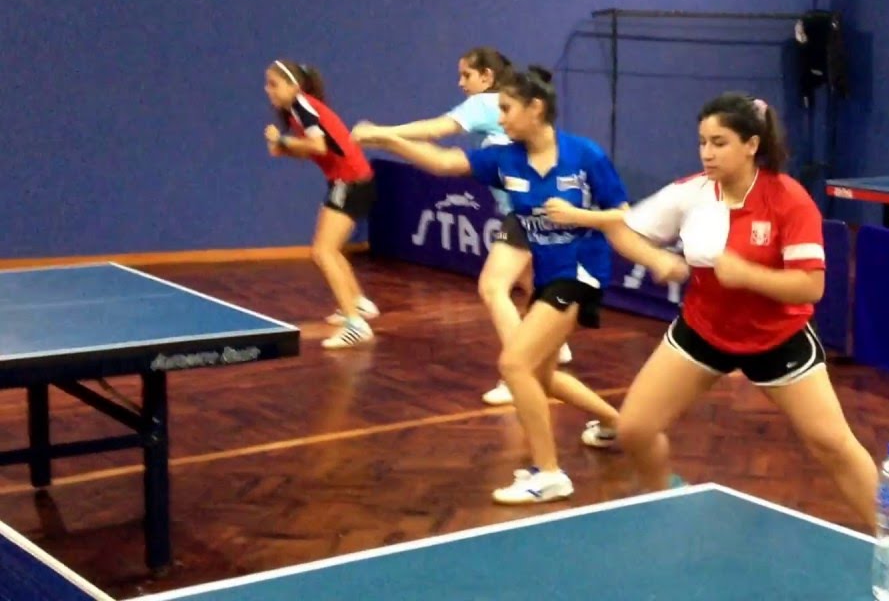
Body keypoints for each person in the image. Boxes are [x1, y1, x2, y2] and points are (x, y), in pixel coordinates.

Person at [562, 91, 879, 529]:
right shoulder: (690, 193)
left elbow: (812, 286)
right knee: (634, 429)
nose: (707, 153)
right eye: (702, 142)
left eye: (720, 142)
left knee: (833, 445)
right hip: (703, 331)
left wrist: (748, 275)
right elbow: (624, 229)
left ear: (751, 145)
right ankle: (664, 502)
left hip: (777, 339)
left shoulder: (788, 199)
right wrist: (656, 259)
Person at [353, 65, 627, 503]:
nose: (499, 118)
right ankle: (618, 424)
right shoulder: (505, 158)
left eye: (506, 108)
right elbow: (443, 162)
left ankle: (549, 472)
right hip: (549, 275)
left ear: (535, 109)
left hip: (583, 272)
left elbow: (623, 213)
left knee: (515, 365)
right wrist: (388, 139)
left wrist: (581, 218)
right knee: (544, 375)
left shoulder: (585, 155)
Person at [352, 47, 577, 409]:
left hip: (527, 208)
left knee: (493, 286)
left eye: (466, 75)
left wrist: (381, 133)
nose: (461, 83)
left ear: (487, 77)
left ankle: (520, 371)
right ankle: (551, 343)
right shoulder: (502, 110)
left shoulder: (484, 104)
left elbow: (438, 130)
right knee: (530, 281)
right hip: (539, 204)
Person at [263, 59, 378, 350]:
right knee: (331, 249)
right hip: (350, 181)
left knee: (323, 251)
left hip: (350, 182)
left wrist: (284, 142)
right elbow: (315, 152)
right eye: (267, 85)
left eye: (274, 84)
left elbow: (317, 146)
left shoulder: (302, 106)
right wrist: (284, 148)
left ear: (293, 86)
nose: (268, 90)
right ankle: (358, 304)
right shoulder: (294, 113)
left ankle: (355, 325)